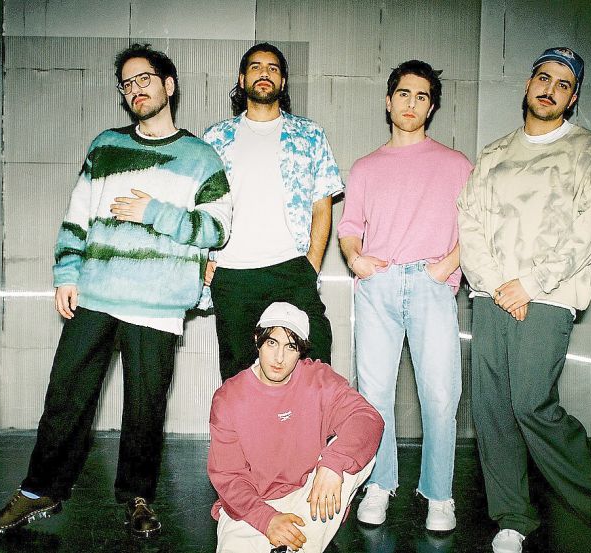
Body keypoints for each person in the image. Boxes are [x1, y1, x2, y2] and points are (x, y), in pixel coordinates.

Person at [0, 43, 232, 539]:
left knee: (144, 408)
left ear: (168, 85)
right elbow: (77, 215)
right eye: (127, 83)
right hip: (96, 293)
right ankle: (39, 490)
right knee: (66, 396)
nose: (135, 89)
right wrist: (66, 273)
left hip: (157, 304)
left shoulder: (201, 157)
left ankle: (137, 497)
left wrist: (154, 212)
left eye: (144, 79)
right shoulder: (105, 146)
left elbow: (217, 229)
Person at [457, 47, 591, 553]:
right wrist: (499, 284)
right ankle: (512, 517)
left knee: (531, 403)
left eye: (563, 84)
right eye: (543, 77)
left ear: (573, 97)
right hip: (491, 292)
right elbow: (469, 222)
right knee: (493, 410)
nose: (550, 89)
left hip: (549, 295)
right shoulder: (495, 154)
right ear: (528, 83)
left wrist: (530, 284)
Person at [337, 60, 471, 532]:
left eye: (421, 96)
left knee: (441, 394)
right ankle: (379, 484)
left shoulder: (457, 165)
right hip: (379, 285)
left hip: (432, 284)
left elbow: (476, 229)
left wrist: (445, 268)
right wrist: (356, 259)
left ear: (431, 107)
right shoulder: (366, 167)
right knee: (373, 393)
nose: (411, 103)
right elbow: (349, 227)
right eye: (403, 94)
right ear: (388, 101)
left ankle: (439, 493)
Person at [201, 42, 344, 380]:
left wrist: (310, 265)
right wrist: (200, 259)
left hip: (291, 267)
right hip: (232, 272)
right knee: (239, 377)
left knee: (314, 364)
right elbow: (200, 205)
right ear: (242, 79)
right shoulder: (215, 137)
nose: (264, 73)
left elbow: (322, 205)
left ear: (282, 82)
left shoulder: (309, 134)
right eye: (255, 67)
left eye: (273, 68)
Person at [207, 302, 384, 552]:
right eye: (272, 343)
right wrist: (266, 519)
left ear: (301, 350)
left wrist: (333, 464)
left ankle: (298, 539)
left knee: (355, 452)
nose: (279, 358)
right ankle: (298, 541)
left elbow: (367, 417)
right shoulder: (229, 398)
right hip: (252, 507)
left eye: (290, 347)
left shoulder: (318, 380)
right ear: (257, 339)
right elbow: (228, 476)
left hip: (307, 497)